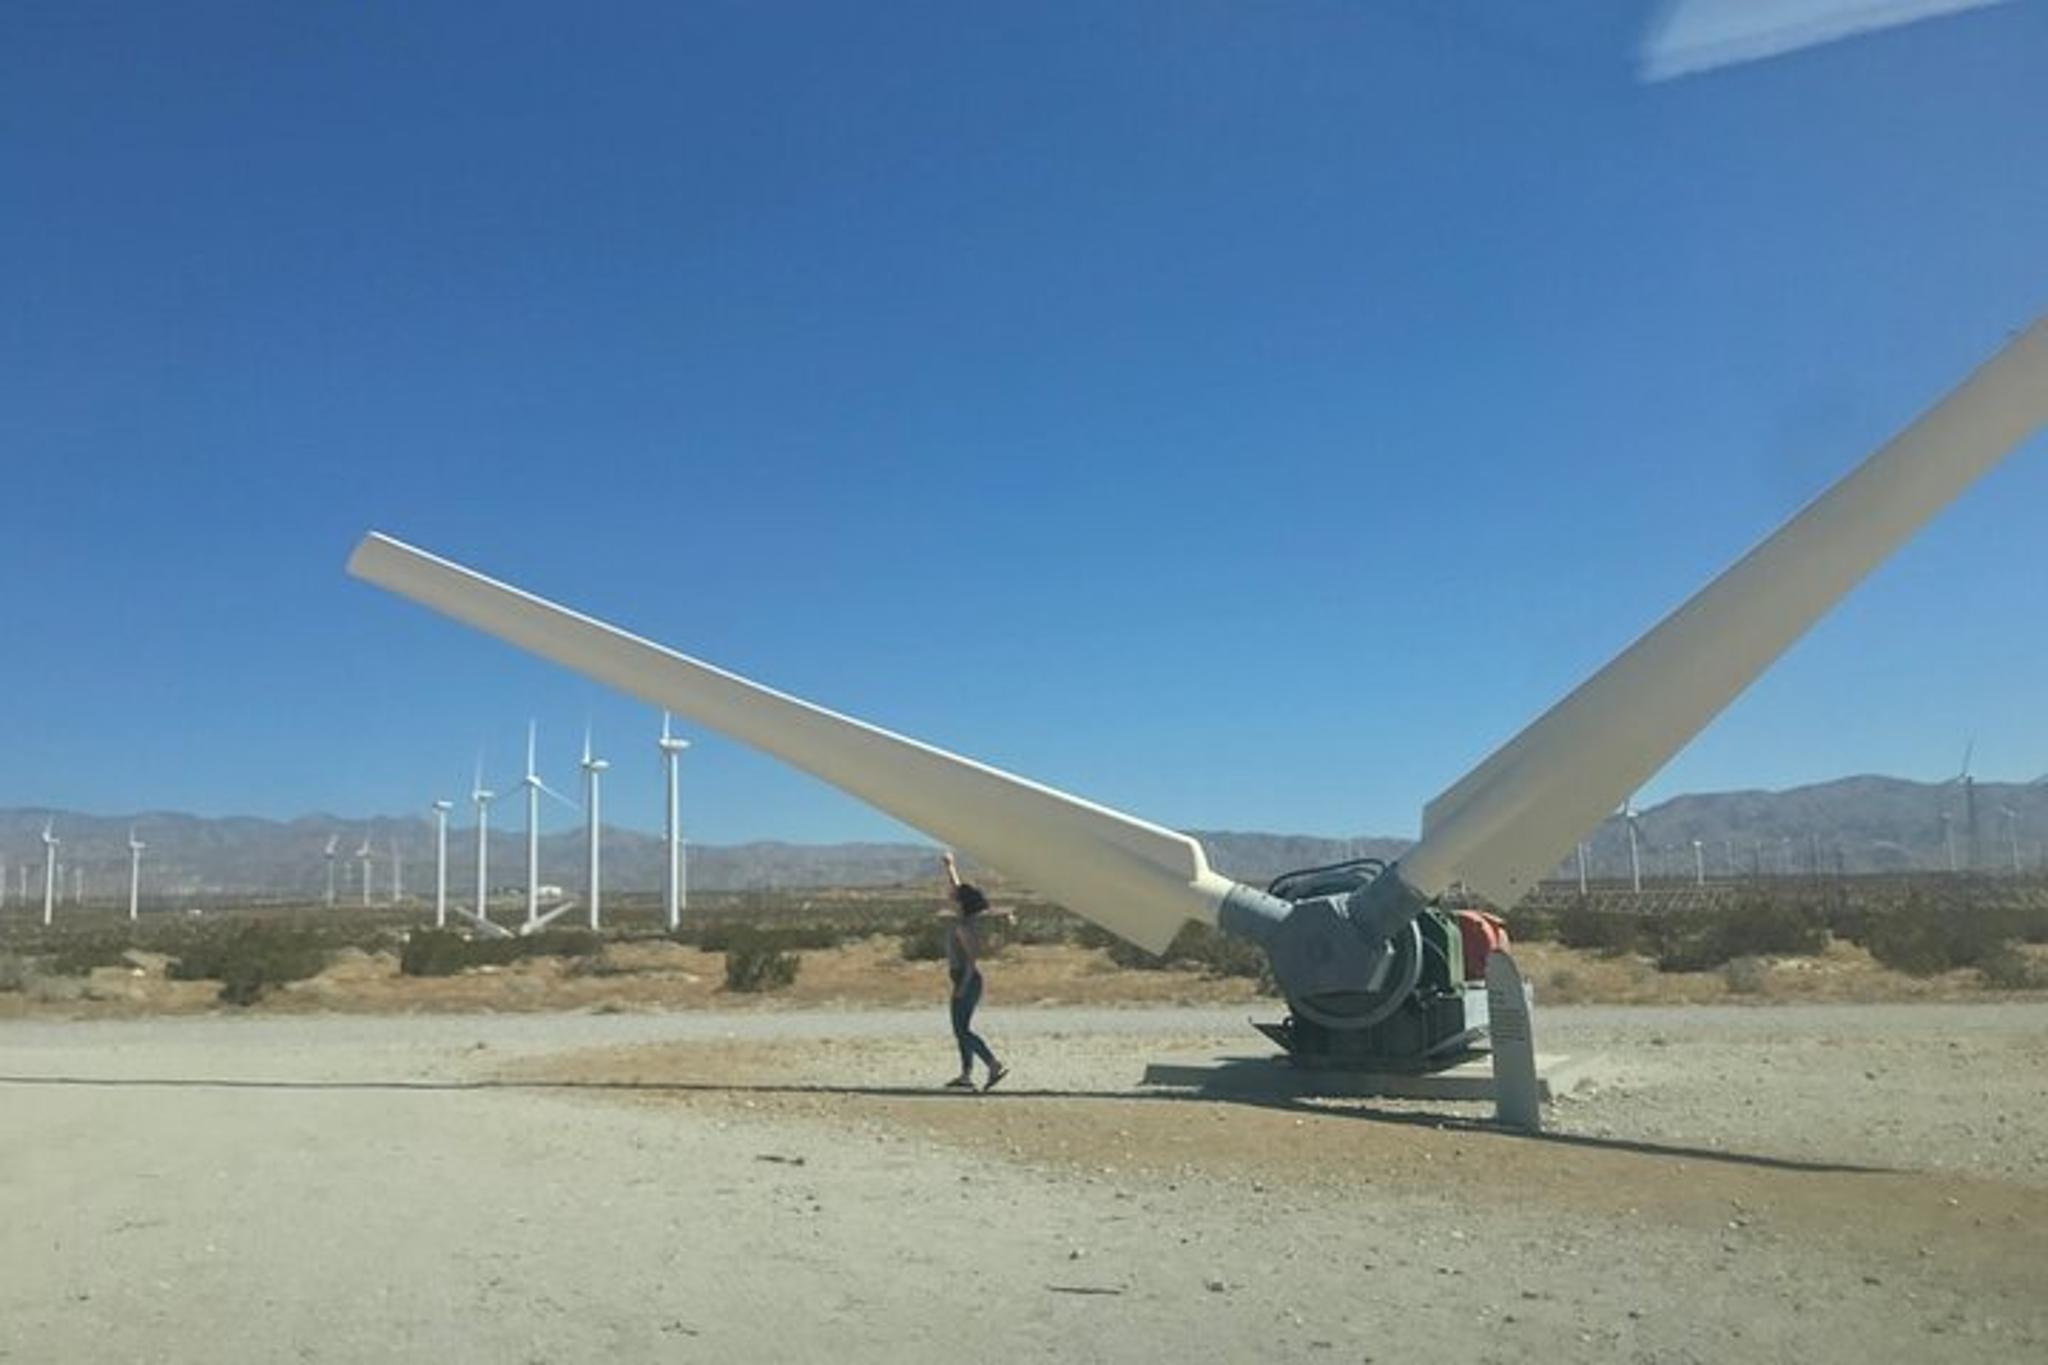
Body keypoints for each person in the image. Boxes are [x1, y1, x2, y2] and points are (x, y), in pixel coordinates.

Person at [940, 851, 1008, 1091]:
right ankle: (966, 1074)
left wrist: (963, 986)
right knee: (961, 1029)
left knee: (963, 1030)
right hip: (963, 979)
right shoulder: (962, 919)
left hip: (967, 979)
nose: (949, 895)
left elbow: (971, 960)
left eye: (954, 896)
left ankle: (993, 1064)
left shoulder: (963, 927)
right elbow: (957, 887)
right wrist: (950, 867)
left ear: (961, 903)